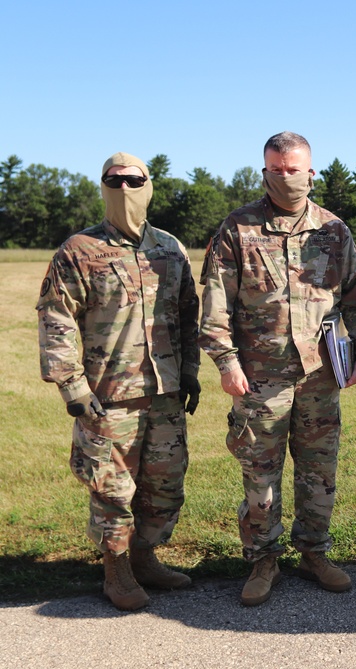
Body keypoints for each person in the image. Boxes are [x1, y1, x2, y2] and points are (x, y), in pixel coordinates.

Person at [200, 131, 356, 606]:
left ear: (311, 172)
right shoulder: (238, 229)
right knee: (260, 473)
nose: (285, 176)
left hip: (320, 375)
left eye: (293, 169)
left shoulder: (333, 230)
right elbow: (215, 305)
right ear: (264, 172)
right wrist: (226, 362)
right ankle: (263, 559)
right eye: (275, 169)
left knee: (319, 472)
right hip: (259, 377)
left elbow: (355, 299)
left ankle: (315, 552)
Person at [37, 152, 200, 611]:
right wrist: (73, 388)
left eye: (133, 180)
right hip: (107, 398)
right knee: (112, 488)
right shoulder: (79, 250)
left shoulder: (169, 248)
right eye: (114, 180)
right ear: (104, 185)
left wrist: (189, 373)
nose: (124, 188)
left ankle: (145, 557)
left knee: (165, 485)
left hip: (165, 392)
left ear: (148, 185)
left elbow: (189, 314)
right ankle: (116, 570)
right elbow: (56, 319)